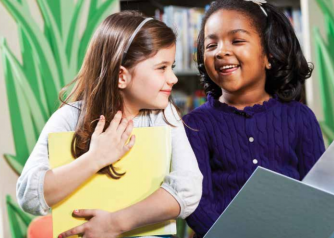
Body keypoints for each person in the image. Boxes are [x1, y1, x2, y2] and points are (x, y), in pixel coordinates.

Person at [17, 11, 203, 238]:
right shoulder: (69, 118)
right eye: (161, 67)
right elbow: (29, 196)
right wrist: (95, 158)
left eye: (171, 66)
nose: (173, 78)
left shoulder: (165, 116)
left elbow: (188, 189)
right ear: (121, 76)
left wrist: (115, 223)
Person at [183, 1, 325, 237]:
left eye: (237, 41)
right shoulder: (194, 125)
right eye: (211, 45)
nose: (221, 51)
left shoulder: (300, 118)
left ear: (269, 56)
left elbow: (318, 194)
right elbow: (196, 204)